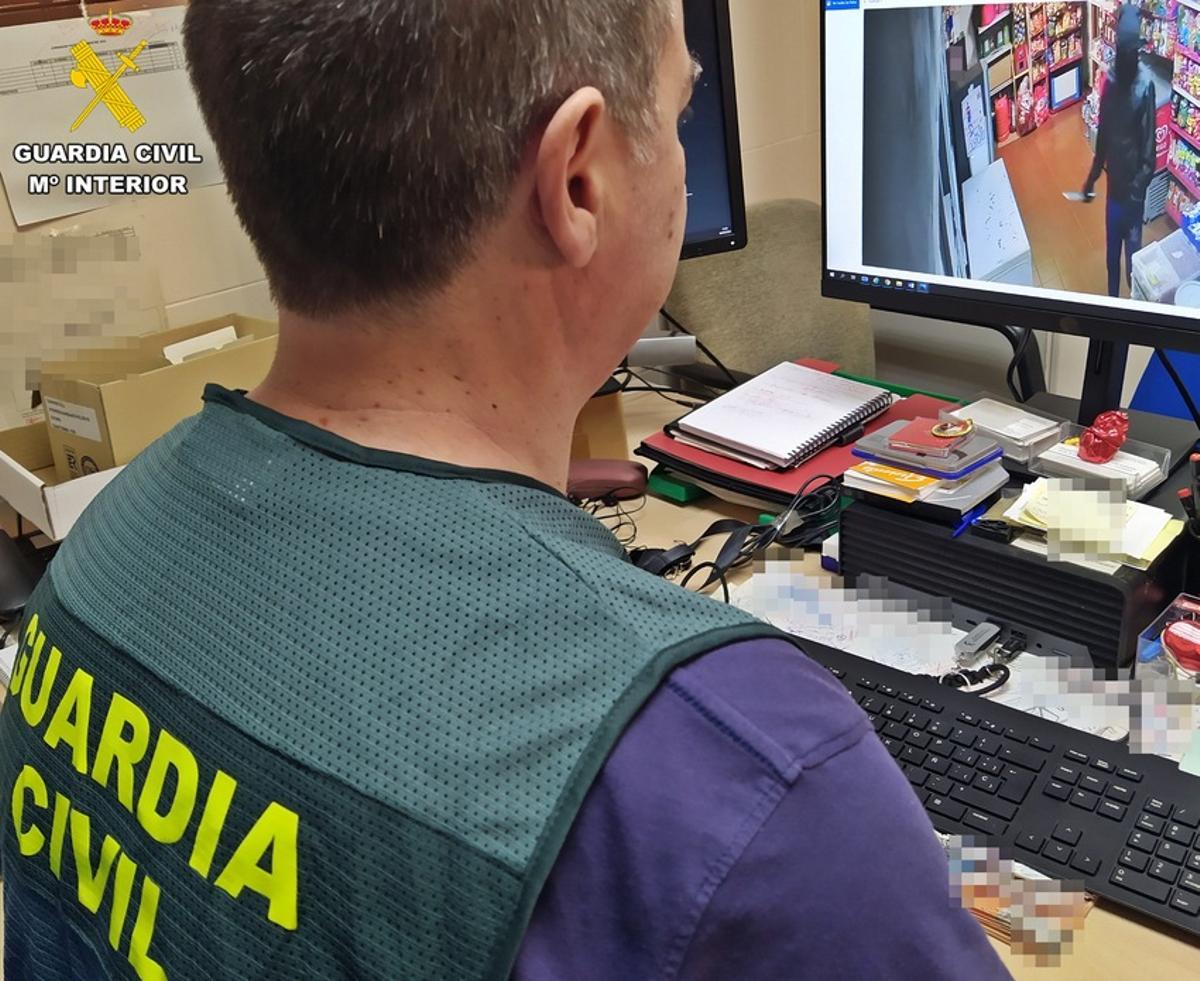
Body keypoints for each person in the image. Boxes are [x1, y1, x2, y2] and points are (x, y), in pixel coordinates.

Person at [0, 2, 1010, 978]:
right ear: (577, 181)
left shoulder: (103, 547)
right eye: (677, 113)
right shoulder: (755, 779)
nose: (683, 154)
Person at [1083, 3, 1158, 298]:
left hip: (1132, 197)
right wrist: (1091, 179)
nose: (1126, 56)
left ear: (1137, 52)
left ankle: (1133, 308)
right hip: (1114, 192)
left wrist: (1135, 194)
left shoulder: (1145, 88)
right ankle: (1114, 306)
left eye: (1131, 51)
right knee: (1112, 258)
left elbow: (1149, 157)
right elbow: (1103, 136)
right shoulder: (1110, 83)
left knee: (1133, 260)